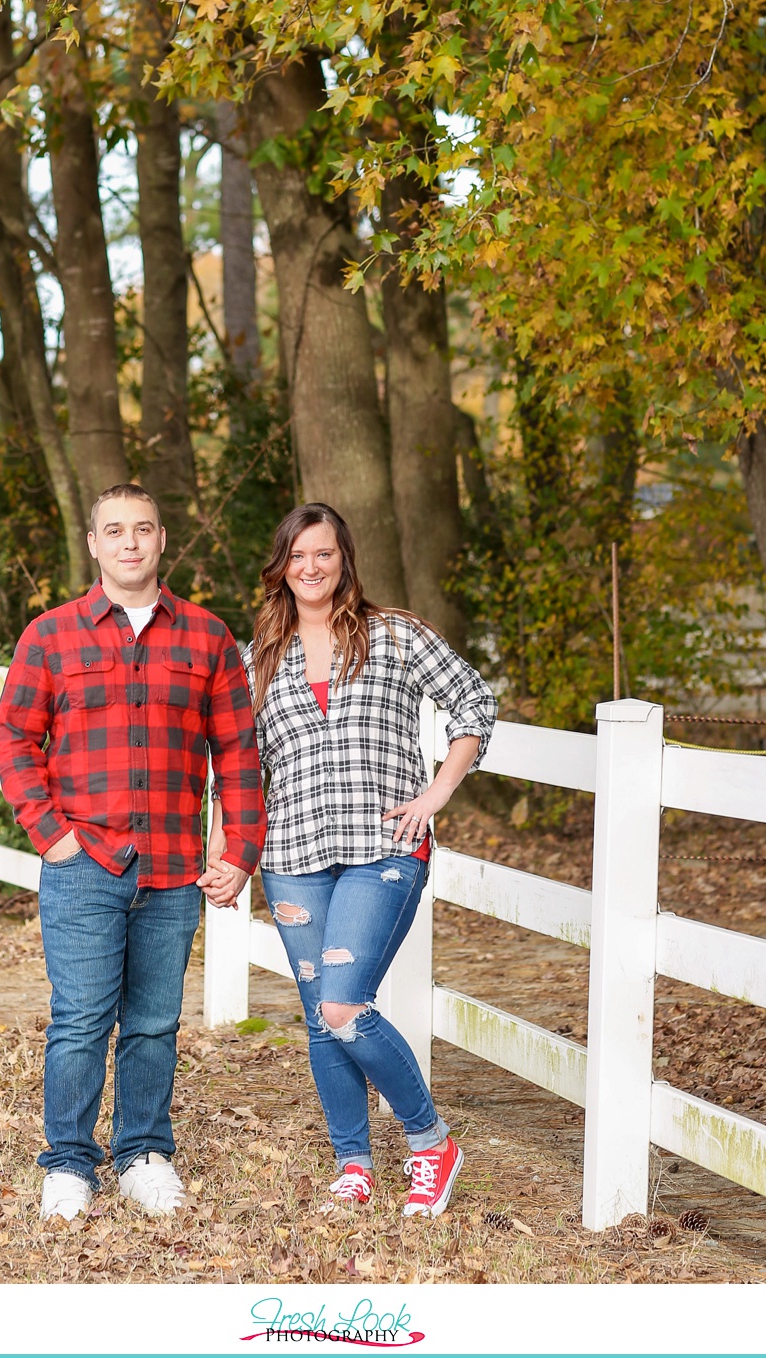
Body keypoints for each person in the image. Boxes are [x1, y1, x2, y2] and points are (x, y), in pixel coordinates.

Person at [215, 501, 495, 1218]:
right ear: (281, 567)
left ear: (344, 562)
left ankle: (431, 1144)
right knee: (319, 1017)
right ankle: (354, 1163)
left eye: (325, 554)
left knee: (344, 1004)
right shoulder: (256, 661)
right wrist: (229, 848)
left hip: (385, 851)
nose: (311, 567)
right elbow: (235, 766)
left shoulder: (395, 636)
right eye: (297, 555)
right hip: (295, 856)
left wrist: (436, 791)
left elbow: (473, 702)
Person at [0, 482, 265, 1224]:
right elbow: (16, 739)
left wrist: (240, 849)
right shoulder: (50, 635)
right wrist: (51, 833)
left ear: (162, 539)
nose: (130, 543)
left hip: (175, 867)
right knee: (80, 1019)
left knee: (153, 1021)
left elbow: (238, 753)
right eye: (115, 531)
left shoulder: (208, 638)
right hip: (85, 861)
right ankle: (69, 1162)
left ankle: (144, 1153)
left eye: (143, 529)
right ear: (93, 544)